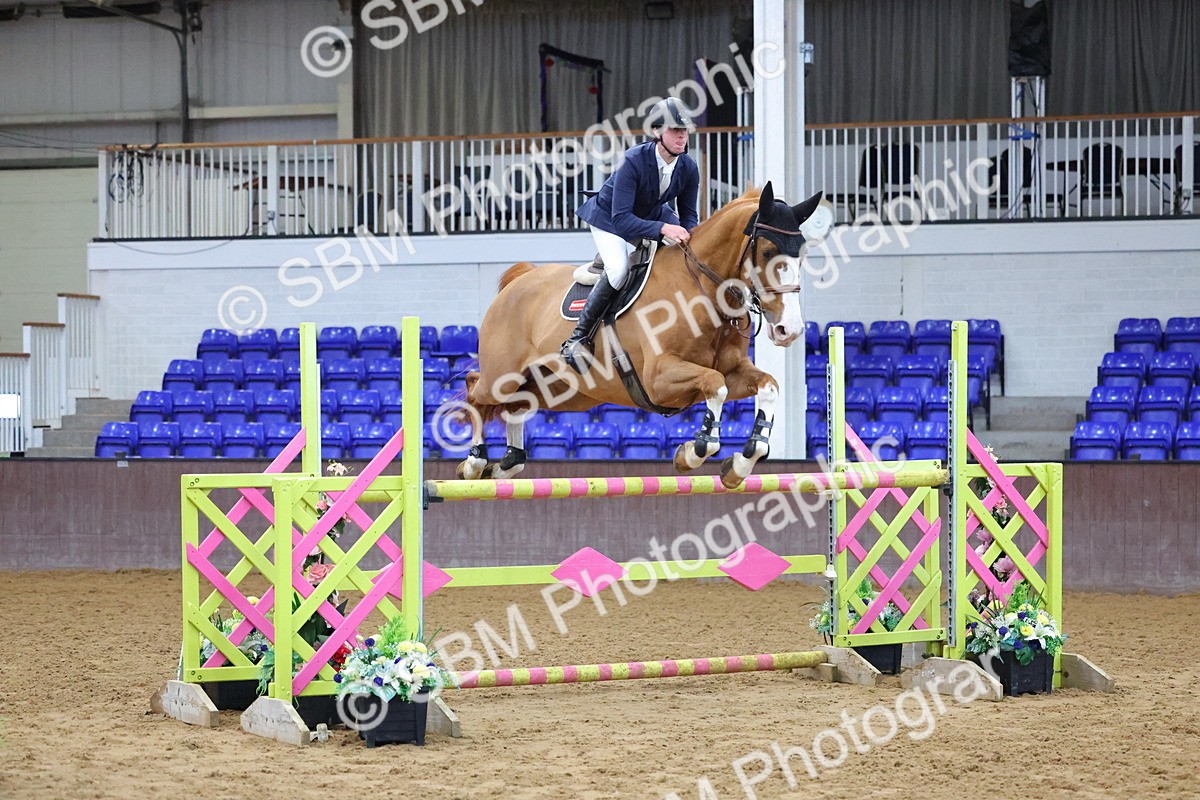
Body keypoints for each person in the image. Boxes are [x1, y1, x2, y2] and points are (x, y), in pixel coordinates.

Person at [560, 97, 701, 373]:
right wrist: (662, 229)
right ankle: (578, 338)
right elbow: (622, 219)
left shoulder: (688, 167)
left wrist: (690, 238)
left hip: (650, 213)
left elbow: (688, 217)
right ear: (656, 132)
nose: (682, 136)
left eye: (685, 131)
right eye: (675, 130)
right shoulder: (633, 161)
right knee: (619, 270)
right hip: (610, 219)